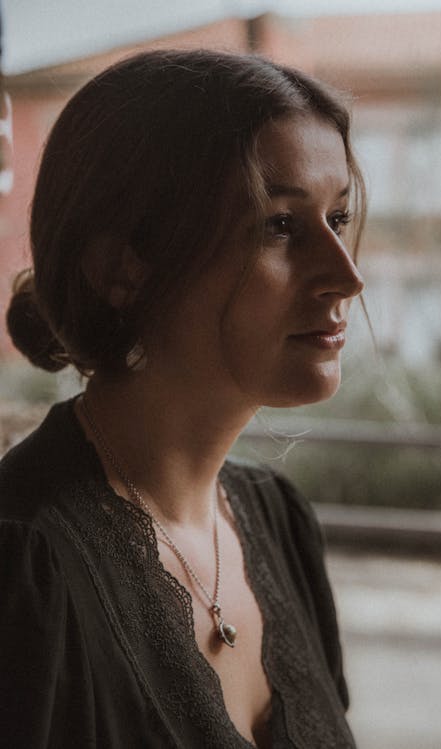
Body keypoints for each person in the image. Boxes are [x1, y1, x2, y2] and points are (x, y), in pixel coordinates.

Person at [0, 49, 365, 748]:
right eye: (280, 225)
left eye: (339, 218)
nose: (346, 276)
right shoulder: (25, 565)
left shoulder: (281, 524)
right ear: (121, 270)